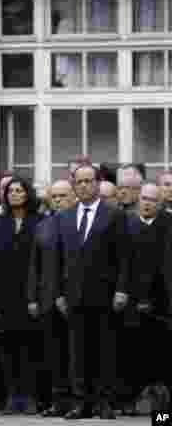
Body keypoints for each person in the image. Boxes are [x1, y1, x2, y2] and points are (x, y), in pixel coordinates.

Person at [53, 164, 130, 419]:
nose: (84, 185)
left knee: (105, 351)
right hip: (74, 295)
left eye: (89, 181)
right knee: (77, 353)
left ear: (98, 183)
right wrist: (59, 294)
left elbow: (123, 257)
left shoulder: (114, 215)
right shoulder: (65, 216)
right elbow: (60, 259)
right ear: (74, 184)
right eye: (79, 181)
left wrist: (121, 290)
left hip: (105, 294)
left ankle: (105, 402)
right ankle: (81, 403)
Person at [0, 175, 42, 415]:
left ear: (27, 194)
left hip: (30, 294)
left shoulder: (39, 221)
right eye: (10, 191)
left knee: (30, 347)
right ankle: (12, 396)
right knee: (7, 347)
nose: (14, 194)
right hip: (4, 294)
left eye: (19, 190)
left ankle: (30, 395)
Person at [31, 179, 76, 417]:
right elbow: (34, 265)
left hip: (74, 299)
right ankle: (58, 400)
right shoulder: (44, 225)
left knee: (76, 353)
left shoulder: (80, 223)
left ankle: (79, 400)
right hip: (47, 298)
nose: (58, 200)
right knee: (54, 353)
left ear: (73, 197)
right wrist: (32, 297)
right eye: (54, 197)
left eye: (63, 196)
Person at [132, 183, 172, 414]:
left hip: (164, 305)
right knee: (142, 357)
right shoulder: (129, 223)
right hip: (135, 304)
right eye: (144, 198)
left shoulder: (168, 224)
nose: (147, 203)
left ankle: (162, 415)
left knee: (164, 362)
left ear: (160, 203)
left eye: (153, 200)